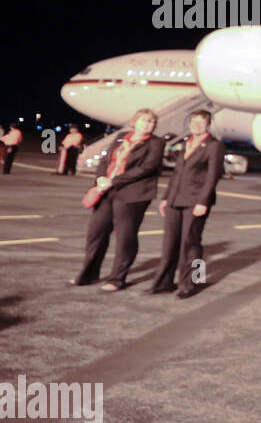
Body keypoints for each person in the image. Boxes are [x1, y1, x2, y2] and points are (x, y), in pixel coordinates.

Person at [68, 109, 164, 292]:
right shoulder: (121, 137)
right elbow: (106, 160)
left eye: (152, 122)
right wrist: (100, 179)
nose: (148, 124)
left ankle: (117, 278)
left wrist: (114, 181)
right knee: (96, 233)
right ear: (134, 122)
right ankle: (88, 274)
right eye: (144, 120)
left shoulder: (155, 143)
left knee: (124, 237)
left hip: (133, 194)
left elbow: (147, 168)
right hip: (107, 191)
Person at [150, 110, 225, 298]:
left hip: (195, 201)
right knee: (171, 244)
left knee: (189, 243)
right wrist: (166, 198)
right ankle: (164, 282)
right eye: (193, 121)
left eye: (201, 121)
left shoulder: (214, 146)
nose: (197, 124)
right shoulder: (187, 143)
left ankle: (190, 284)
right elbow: (176, 174)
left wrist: (203, 201)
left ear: (208, 124)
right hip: (176, 199)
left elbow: (212, 176)